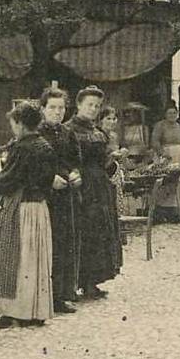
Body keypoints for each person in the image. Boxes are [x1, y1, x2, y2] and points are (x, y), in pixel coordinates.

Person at [0, 102, 57, 328]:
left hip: (22, 208)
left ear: (21, 124)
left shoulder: (21, 147)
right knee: (36, 260)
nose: (12, 129)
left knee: (16, 258)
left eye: (13, 124)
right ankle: (36, 311)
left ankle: (15, 312)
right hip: (40, 208)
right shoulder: (45, 146)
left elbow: (7, 182)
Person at [67, 86, 122, 299]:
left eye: (97, 106)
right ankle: (74, 282)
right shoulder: (68, 129)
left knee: (98, 233)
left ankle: (92, 282)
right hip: (79, 185)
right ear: (79, 104)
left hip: (99, 186)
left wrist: (113, 162)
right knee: (81, 232)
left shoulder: (99, 133)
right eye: (89, 104)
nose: (93, 109)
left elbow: (103, 162)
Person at [37, 88, 81, 314]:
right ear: (43, 109)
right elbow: (33, 165)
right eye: (52, 108)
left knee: (64, 243)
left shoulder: (67, 133)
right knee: (46, 244)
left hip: (65, 194)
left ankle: (62, 295)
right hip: (44, 196)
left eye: (61, 108)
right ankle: (42, 295)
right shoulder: (36, 133)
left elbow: (75, 159)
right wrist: (48, 179)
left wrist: (75, 172)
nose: (57, 112)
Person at [149, 102, 180, 221]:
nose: (172, 115)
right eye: (169, 113)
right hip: (166, 156)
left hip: (179, 156)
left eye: (174, 113)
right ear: (165, 114)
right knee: (167, 181)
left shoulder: (178, 126)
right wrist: (163, 153)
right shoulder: (160, 126)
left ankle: (179, 209)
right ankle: (166, 210)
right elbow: (155, 141)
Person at [99, 106, 131, 215]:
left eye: (114, 119)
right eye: (108, 118)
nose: (112, 122)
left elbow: (118, 157)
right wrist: (111, 155)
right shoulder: (98, 135)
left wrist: (123, 153)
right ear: (100, 120)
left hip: (115, 172)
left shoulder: (114, 136)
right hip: (103, 173)